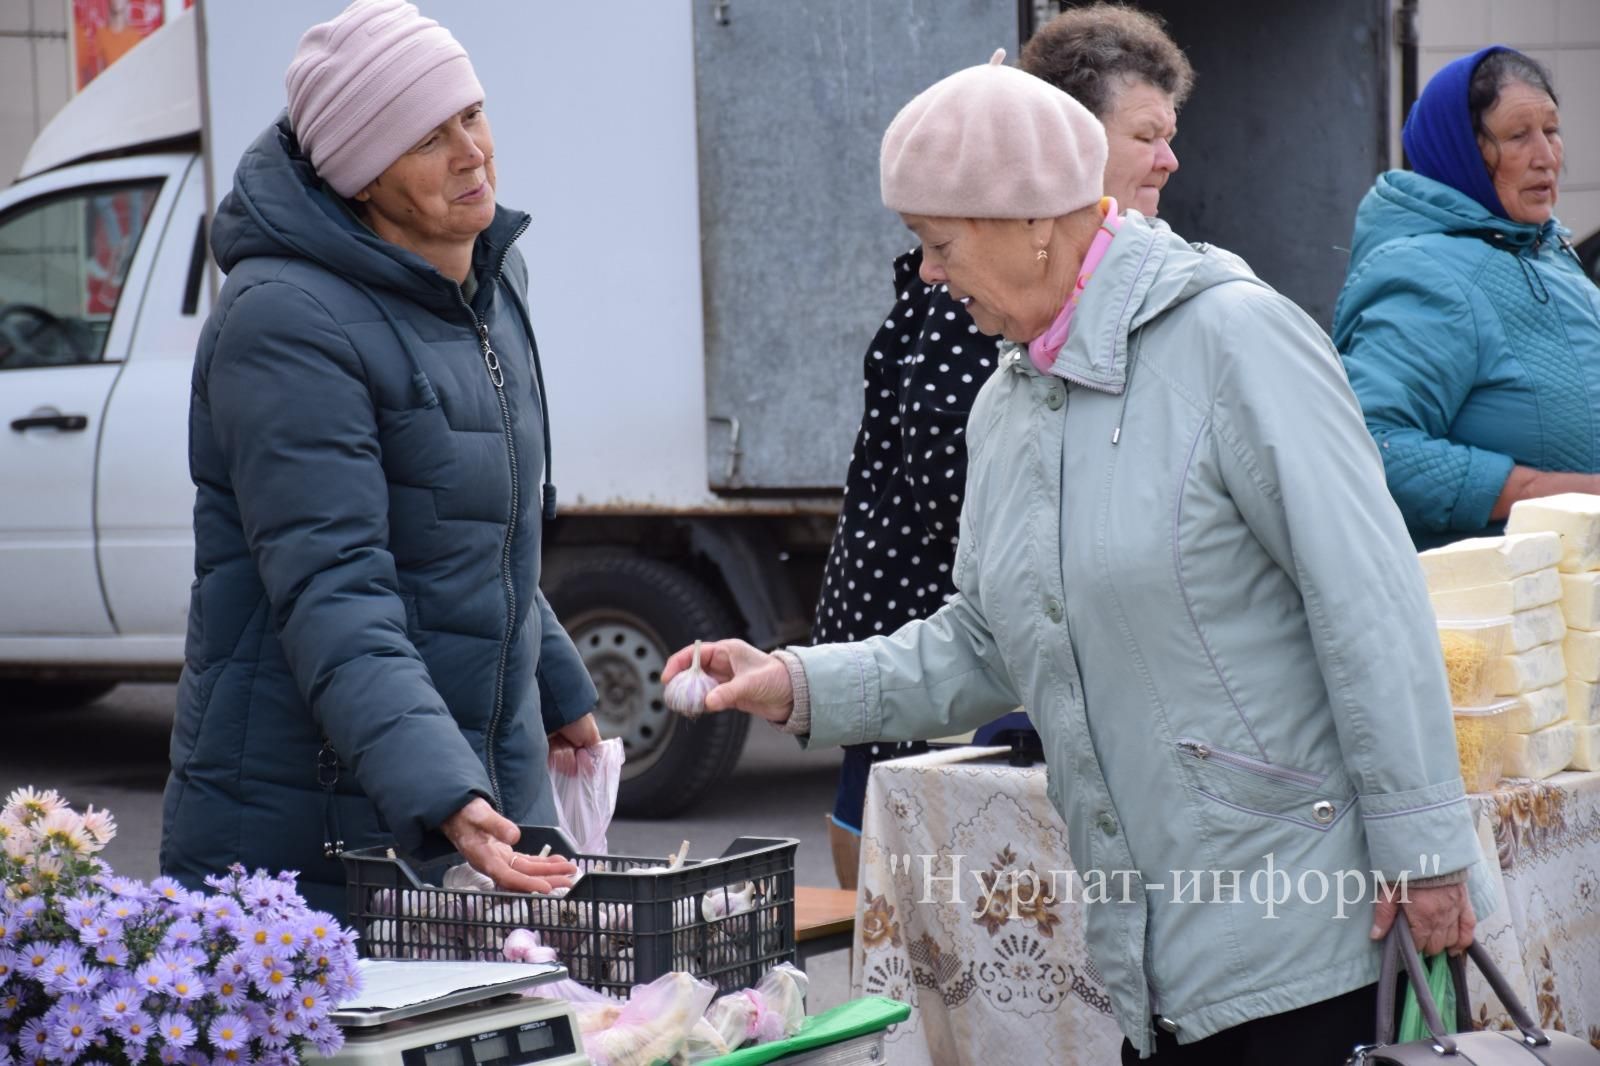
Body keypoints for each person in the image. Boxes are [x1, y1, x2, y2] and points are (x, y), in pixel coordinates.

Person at [667, 51, 1494, 1063]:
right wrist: (791, 681)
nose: (927, 271)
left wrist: (1426, 853)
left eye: (937, 241)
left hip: (1317, 936)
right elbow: (984, 638)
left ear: (1033, 222)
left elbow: (1368, 600)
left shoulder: (1232, 341)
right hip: (1157, 965)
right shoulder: (1008, 400)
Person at [160, 0, 599, 915]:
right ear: (360, 176)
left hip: (480, 794)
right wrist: (444, 791)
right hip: (314, 821)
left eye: (471, 114)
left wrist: (559, 685)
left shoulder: (486, 276)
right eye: (427, 138)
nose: (471, 152)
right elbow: (333, 584)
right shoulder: (285, 319)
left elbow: (486, 522)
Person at [817, 3, 1193, 891]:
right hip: (929, 674)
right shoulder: (980, 300)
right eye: (1147, 135)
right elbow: (992, 516)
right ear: (1060, 148)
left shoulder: (1190, 309)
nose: (1170, 159)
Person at [1334, 47, 1600, 550]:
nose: (1546, 156)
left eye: (1552, 130)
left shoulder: (1543, 248)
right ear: (1461, 149)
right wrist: (1553, 493)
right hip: (1495, 605)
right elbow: (1372, 444)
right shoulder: (1423, 275)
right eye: (1518, 136)